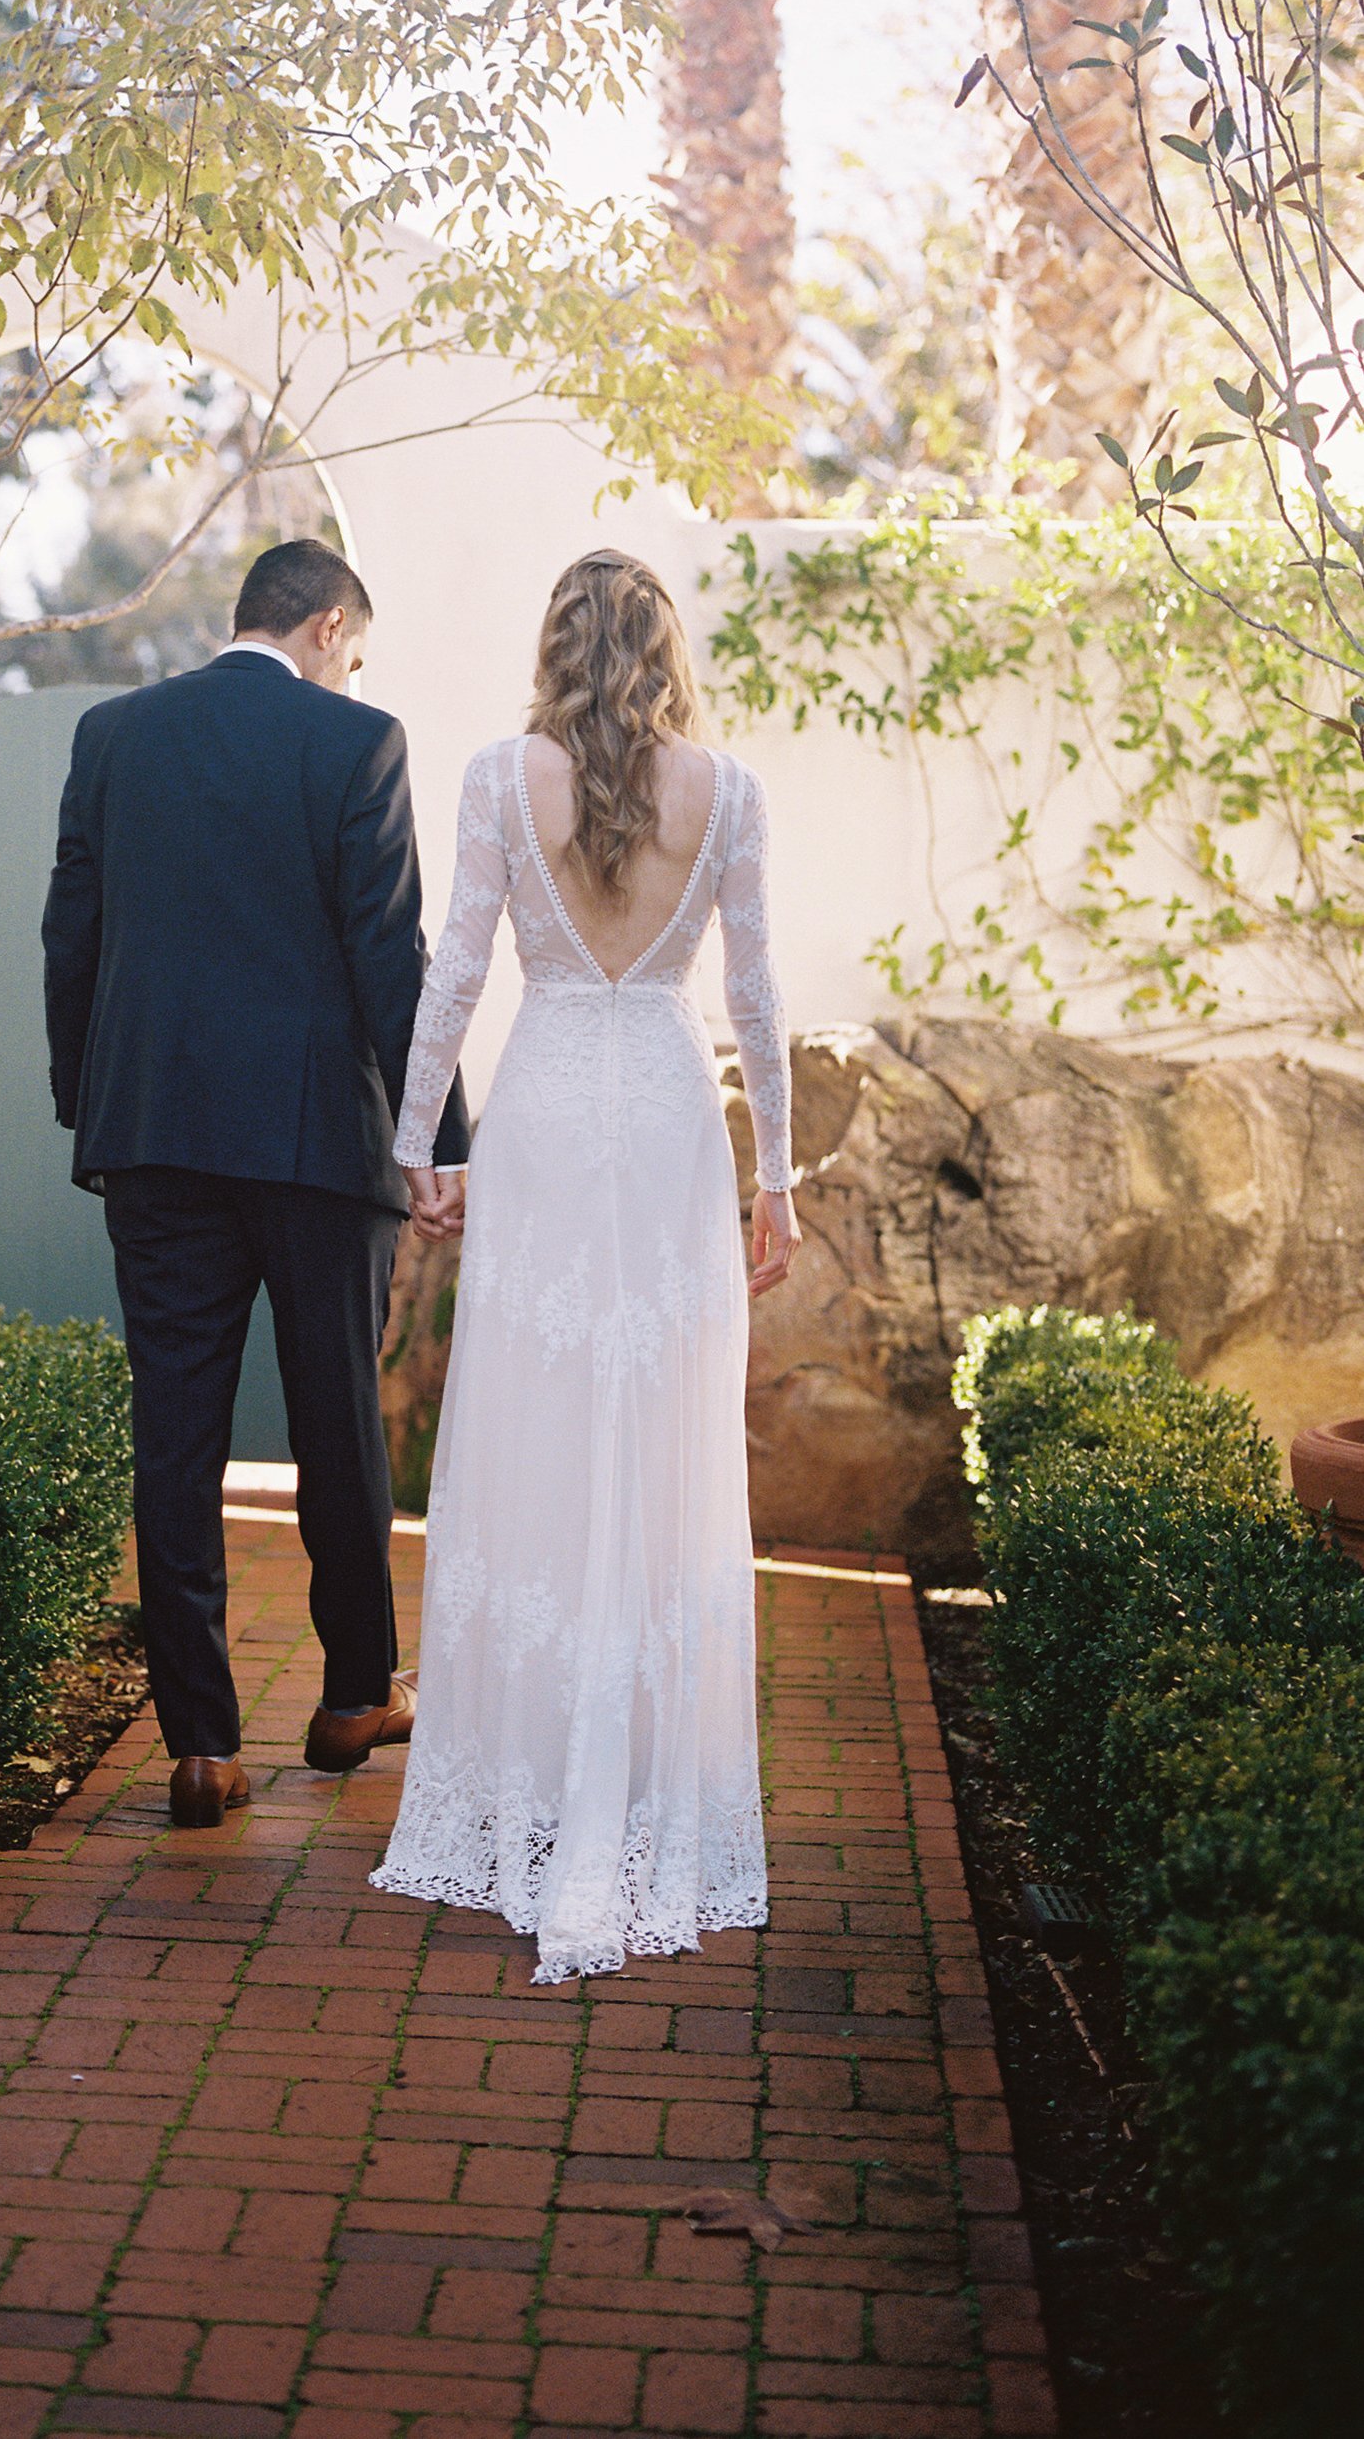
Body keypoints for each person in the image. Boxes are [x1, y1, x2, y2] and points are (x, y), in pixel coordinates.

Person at [372, 549, 799, 1982]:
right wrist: (779, 1181)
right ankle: (643, 1778)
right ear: (668, 652)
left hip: (550, 1104)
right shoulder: (725, 792)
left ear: (553, 646)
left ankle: (536, 1781)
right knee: (659, 1432)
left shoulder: (502, 779)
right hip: (671, 1115)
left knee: (533, 1429)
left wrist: (417, 1135)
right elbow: (751, 996)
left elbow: (453, 969)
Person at [42, 539, 470, 1827]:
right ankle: (350, 1696)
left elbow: (73, 934)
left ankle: (201, 1747)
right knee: (336, 1416)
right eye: (358, 650)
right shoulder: (358, 745)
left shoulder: (115, 734)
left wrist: (89, 1095)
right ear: (332, 627)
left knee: (175, 1432)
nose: (355, 671)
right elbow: (390, 957)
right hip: (314, 1148)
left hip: (156, 1136)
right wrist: (440, 1136)